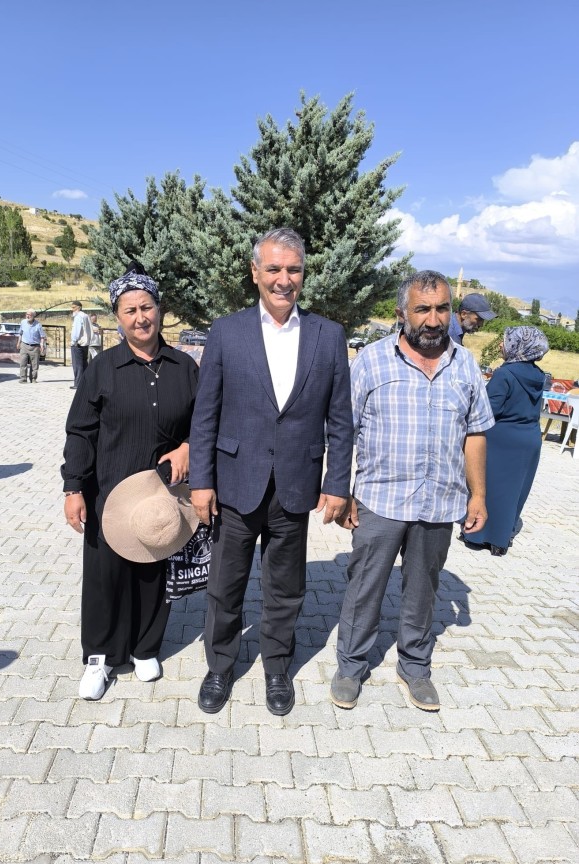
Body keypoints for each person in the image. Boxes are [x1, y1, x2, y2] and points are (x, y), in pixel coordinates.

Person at [189, 227, 353, 717]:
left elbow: (340, 419)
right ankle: (220, 666)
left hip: (296, 486)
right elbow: (205, 415)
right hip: (235, 483)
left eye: (294, 269)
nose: (284, 279)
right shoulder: (227, 331)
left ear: (303, 274)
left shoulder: (328, 335)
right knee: (225, 585)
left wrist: (337, 485)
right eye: (275, 268)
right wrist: (201, 481)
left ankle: (277, 667)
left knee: (286, 588)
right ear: (255, 272)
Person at [331, 270, 494, 713]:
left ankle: (415, 666)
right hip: (380, 500)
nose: (433, 319)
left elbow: (476, 433)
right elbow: (344, 429)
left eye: (442, 308)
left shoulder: (465, 364)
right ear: (402, 313)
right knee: (365, 586)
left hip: (439, 502)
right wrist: (341, 490)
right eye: (423, 309)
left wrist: (478, 495)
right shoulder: (371, 361)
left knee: (423, 590)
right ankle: (351, 666)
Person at [62, 271, 199, 700]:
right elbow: (80, 431)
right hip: (109, 493)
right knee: (105, 577)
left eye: (147, 307)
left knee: (152, 569)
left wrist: (188, 447)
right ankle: (99, 658)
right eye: (130, 310)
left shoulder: (184, 367)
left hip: (163, 497)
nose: (141, 318)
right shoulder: (103, 368)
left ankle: (145, 648)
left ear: (160, 309)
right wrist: (73, 488)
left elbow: (205, 422)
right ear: (117, 318)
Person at [461, 326, 549, 556]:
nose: (501, 344)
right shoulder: (539, 375)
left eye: (506, 340)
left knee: (489, 487)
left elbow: (489, 409)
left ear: (518, 345)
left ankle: (478, 534)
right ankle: (500, 538)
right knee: (514, 490)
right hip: (529, 438)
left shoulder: (505, 373)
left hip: (502, 438)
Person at [17, 309, 46, 384]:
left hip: (35, 347)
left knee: (34, 364)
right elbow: (20, 333)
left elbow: (42, 336)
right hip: (24, 345)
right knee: (23, 363)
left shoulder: (38, 325)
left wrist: (42, 345)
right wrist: (18, 343)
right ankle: (23, 379)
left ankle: (33, 378)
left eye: (29, 315)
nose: (27, 316)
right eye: (26, 314)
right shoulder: (23, 322)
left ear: (33, 316)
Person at [70, 301, 92, 388]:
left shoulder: (78, 317)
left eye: (73, 307)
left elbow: (76, 331)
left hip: (78, 344)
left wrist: (73, 341)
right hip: (85, 343)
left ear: (79, 307)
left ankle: (78, 384)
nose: (72, 309)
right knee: (84, 363)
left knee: (77, 365)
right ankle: (85, 383)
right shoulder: (85, 316)